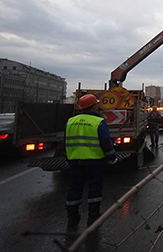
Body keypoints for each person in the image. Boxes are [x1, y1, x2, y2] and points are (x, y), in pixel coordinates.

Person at [65, 94, 117, 228]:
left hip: (75, 161)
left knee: (74, 188)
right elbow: (105, 140)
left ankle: (72, 218)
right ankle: (93, 218)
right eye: (96, 104)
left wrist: (68, 158)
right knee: (95, 187)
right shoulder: (98, 122)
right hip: (95, 161)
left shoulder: (71, 121)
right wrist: (112, 157)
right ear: (94, 106)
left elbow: (65, 142)